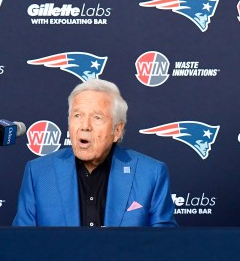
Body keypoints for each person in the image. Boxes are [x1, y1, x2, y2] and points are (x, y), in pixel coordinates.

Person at [13, 79, 177, 227]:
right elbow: (21, 244)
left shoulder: (151, 174)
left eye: (97, 118)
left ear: (117, 130)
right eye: (77, 115)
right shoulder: (39, 173)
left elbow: (163, 244)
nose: (85, 126)